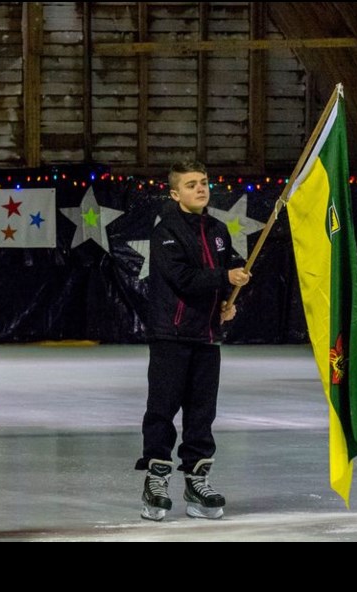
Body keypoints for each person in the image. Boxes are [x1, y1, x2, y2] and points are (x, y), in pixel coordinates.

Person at [136, 162, 251, 521]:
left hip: (206, 336)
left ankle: (197, 478)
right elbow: (183, 278)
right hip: (171, 334)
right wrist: (223, 275)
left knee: (202, 410)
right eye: (191, 185)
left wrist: (229, 297)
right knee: (163, 407)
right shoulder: (166, 232)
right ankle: (156, 479)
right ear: (175, 194)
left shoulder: (217, 229)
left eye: (203, 183)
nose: (200, 189)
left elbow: (231, 267)